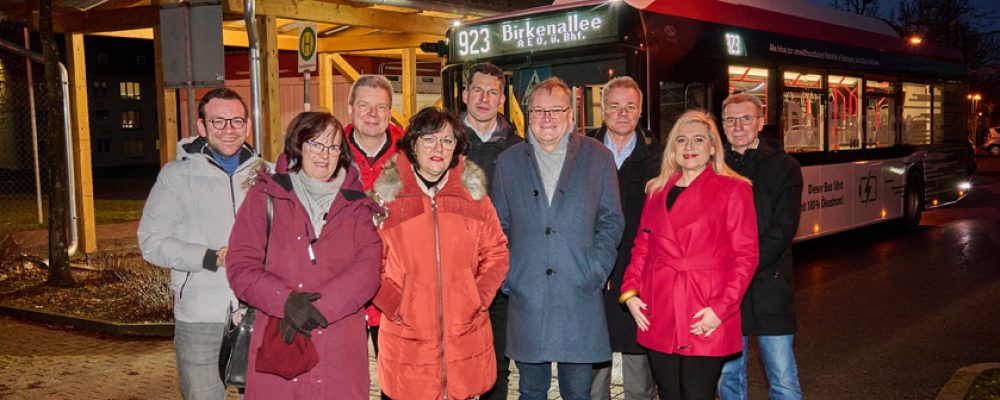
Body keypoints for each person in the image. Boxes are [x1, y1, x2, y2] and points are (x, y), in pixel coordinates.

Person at [225, 112, 383, 399]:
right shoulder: (265, 196)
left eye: (333, 147)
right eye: (315, 144)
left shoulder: (357, 206)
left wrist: (317, 309)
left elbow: (368, 272)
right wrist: (285, 302)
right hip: (278, 342)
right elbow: (240, 266)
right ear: (297, 145)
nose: (325, 154)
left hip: (339, 349)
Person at [491, 77, 625, 400]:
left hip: (578, 297)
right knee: (530, 390)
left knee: (578, 393)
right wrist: (509, 278)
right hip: (528, 297)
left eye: (555, 110)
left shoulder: (599, 158)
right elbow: (497, 227)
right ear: (529, 115)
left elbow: (611, 220)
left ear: (570, 116)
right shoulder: (509, 162)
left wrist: (596, 269)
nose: (547, 118)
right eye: (538, 110)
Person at [370, 107, 510, 399]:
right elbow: (366, 261)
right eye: (429, 139)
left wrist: (478, 296)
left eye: (447, 141)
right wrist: (396, 304)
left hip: (465, 340)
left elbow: (497, 252)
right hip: (408, 343)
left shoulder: (474, 198)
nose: (438, 148)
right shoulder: (388, 200)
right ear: (413, 144)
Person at [620, 110, 758, 400]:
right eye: (681, 140)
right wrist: (631, 293)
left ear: (712, 147)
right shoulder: (656, 190)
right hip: (660, 306)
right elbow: (642, 246)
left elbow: (745, 257)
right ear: (673, 149)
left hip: (704, 307)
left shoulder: (735, 189)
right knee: (669, 394)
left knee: (697, 394)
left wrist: (721, 310)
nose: (690, 147)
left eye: (698, 139)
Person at [137, 87, 261, 400]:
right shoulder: (177, 176)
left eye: (236, 121)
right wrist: (209, 257)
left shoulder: (267, 174)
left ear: (248, 125)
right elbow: (151, 242)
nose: (229, 130)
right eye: (218, 121)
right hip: (201, 315)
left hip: (261, 311)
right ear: (202, 127)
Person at [717, 94, 804, 400]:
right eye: (730, 120)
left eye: (745, 118)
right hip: (725, 291)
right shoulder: (713, 165)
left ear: (760, 122)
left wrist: (743, 265)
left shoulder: (784, 166)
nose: (737, 126)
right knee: (728, 376)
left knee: (782, 377)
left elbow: (784, 228)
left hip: (770, 286)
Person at [588, 76, 661, 400]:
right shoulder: (582, 153)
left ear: (640, 110)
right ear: (602, 110)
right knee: (593, 374)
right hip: (594, 276)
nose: (622, 113)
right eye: (615, 106)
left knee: (639, 378)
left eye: (630, 106)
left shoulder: (660, 158)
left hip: (640, 276)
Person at [459, 62, 522, 400]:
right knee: (450, 364)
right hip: (451, 274)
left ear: (501, 99)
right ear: (465, 94)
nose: (484, 98)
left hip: (501, 277)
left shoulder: (519, 148)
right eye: (478, 90)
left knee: (497, 365)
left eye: (492, 92)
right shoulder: (442, 141)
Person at [343, 74, 405, 361]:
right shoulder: (327, 153)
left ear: (389, 113)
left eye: (381, 107)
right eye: (365, 105)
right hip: (344, 287)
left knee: (399, 382)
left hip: (396, 288)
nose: (372, 114)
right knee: (342, 382)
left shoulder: (411, 154)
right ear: (350, 108)